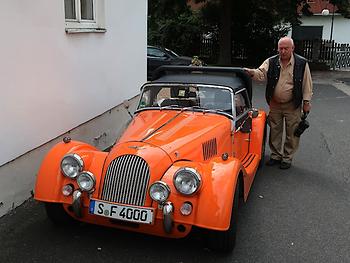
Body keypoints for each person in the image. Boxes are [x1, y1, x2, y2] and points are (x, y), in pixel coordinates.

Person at [244, 36, 313, 169]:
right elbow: (261, 73)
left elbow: (307, 83)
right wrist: (251, 72)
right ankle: (276, 155)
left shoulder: (301, 63)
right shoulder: (271, 61)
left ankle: (287, 158)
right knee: (275, 130)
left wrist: (306, 102)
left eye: (286, 48)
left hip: (293, 104)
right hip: (275, 103)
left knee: (292, 132)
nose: (283, 51)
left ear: (292, 48)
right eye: (280, 48)